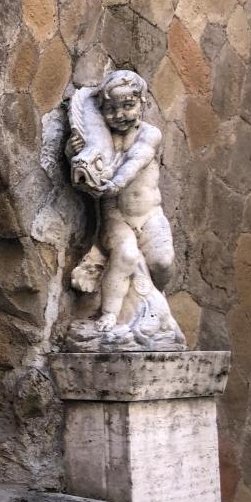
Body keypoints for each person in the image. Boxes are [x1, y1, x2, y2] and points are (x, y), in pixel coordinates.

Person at [87, 70, 174, 332]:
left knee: (163, 262)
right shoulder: (100, 139)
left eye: (128, 105)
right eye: (111, 109)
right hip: (117, 218)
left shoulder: (149, 133)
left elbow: (137, 159)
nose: (120, 114)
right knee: (126, 255)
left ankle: (155, 295)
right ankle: (110, 314)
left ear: (142, 103)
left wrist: (116, 182)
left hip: (150, 215)